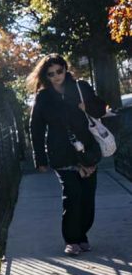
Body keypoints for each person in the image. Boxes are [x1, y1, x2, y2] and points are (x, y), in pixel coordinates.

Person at [28, 54, 107, 256]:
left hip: (87, 151)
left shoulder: (81, 87)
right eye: (51, 73)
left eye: (59, 71)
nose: (56, 76)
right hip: (61, 153)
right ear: (46, 75)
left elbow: (100, 109)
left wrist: (86, 107)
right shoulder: (43, 97)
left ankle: (82, 236)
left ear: (65, 68)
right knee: (73, 196)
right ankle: (72, 240)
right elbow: (36, 128)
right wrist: (40, 159)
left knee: (87, 198)